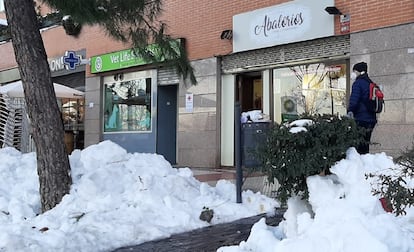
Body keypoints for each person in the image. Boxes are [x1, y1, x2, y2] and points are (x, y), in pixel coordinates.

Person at [347, 62, 377, 154]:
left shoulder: (358, 83)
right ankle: (366, 163)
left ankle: (360, 165)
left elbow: (354, 101)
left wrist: (350, 111)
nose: (353, 73)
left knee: (358, 145)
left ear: (360, 72)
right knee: (365, 144)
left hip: (361, 118)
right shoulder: (370, 83)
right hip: (371, 119)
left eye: (354, 71)